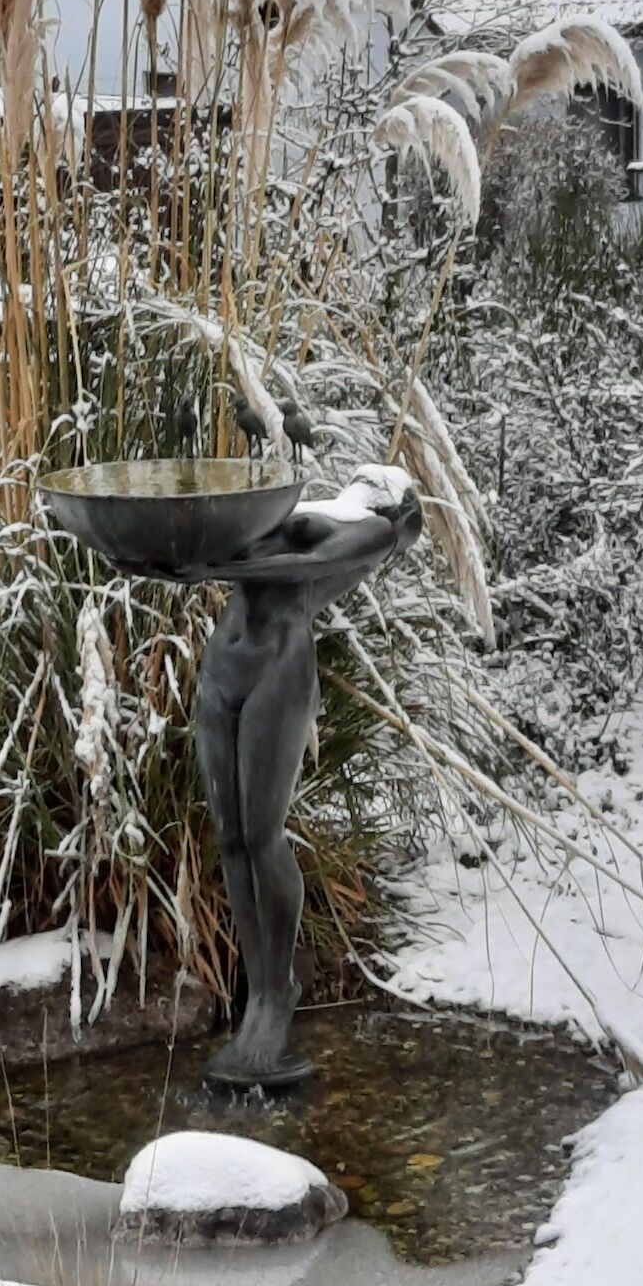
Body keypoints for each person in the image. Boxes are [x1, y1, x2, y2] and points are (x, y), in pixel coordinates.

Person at [123, 464, 423, 1087]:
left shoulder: (373, 533)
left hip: (277, 673)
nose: (369, 479)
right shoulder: (300, 508)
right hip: (222, 667)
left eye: (382, 484)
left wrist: (210, 571)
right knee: (230, 838)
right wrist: (152, 552)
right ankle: (258, 990)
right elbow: (213, 540)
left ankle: (275, 994)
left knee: (263, 835)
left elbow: (297, 572)